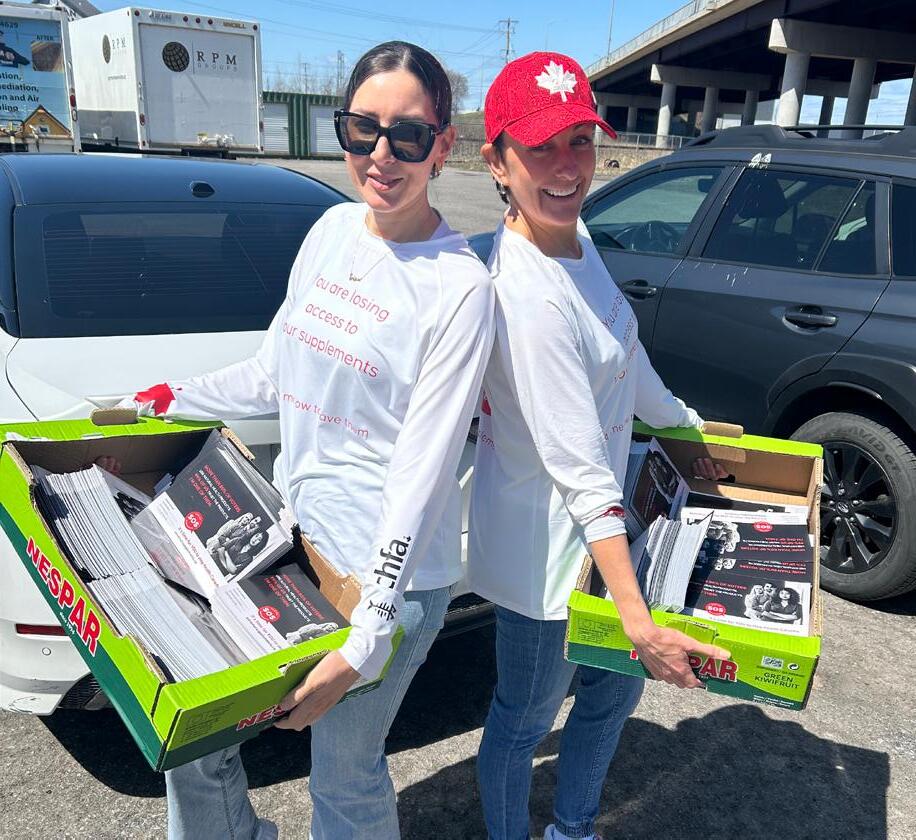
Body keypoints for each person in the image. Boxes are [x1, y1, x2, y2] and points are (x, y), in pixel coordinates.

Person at [124, 41, 494, 840]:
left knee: (343, 774)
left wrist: (370, 634)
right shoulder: (330, 229)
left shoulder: (459, 287)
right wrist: (163, 399)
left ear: (442, 146)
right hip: (292, 546)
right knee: (195, 741)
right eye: (363, 130)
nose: (382, 155)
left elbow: (425, 471)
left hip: (387, 583)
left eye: (409, 136)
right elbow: (274, 373)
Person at [468, 52, 731, 840]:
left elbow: (627, 354)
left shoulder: (575, 236)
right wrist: (638, 620)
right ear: (497, 162)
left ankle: (574, 828)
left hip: (608, 536)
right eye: (539, 148)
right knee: (524, 720)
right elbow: (580, 471)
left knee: (612, 696)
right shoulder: (526, 295)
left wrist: (684, 425)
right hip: (546, 557)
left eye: (578, 141)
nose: (565, 168)